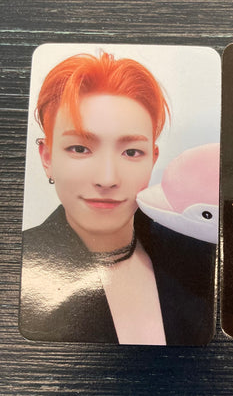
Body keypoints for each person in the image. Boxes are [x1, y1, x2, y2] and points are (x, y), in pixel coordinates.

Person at [20, 52, 216, 345]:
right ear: (47, 158)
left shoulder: (202, 256)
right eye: (79, 149)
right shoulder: (17, 264)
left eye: (132, 152)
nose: (107, 178)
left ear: (152, 159)